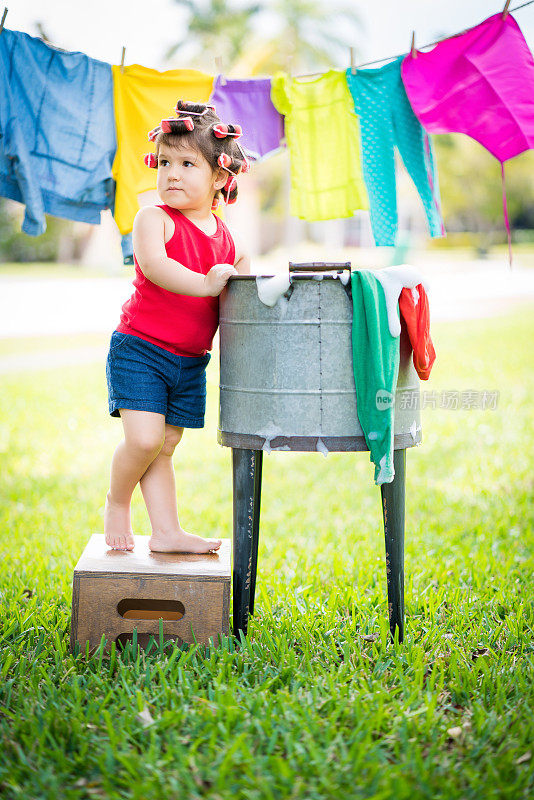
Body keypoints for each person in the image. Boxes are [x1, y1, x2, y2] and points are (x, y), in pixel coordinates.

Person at [104, 100, 251, 553]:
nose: (172, 173)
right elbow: (157, 266)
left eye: (188, 163)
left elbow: (244, 282)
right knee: (144, 438)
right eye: (165, 162)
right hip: (141, 349)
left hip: (189, 361)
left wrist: (250, 283)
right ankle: (116, 501)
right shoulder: (153, 219)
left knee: (165, 445)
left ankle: (166, 533)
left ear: (220, 178)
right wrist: (207, 284)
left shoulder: (227, 238)